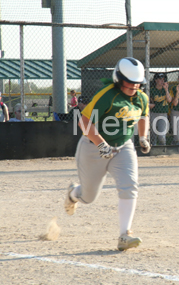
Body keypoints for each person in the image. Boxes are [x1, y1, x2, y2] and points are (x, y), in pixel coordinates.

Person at [64, 57, 151, 251]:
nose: (134, 86)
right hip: (93, 148)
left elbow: (144, 115)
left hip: (123, 147)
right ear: (119, 79)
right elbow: (84, 122)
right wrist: (102, 145)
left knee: (129, 186)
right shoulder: (106, 96)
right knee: (88, 197)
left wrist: (143, 137)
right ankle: (73, 194)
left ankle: (124, 235)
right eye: (129, 81)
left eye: (137, 82)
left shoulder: (141, 97)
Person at [149, 73, 172, 146]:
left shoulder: (165, 90)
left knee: (161, 135)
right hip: (153, 113)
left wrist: (166, 90)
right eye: (160, 79)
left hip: (163, 114)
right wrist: (149, 105)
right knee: (152, 134)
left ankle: (162, 149)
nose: (162, 81)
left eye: (163, 79)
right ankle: (153, 149)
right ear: (155, 80)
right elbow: (148, 101)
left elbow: (169, 100)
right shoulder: (152, 90)